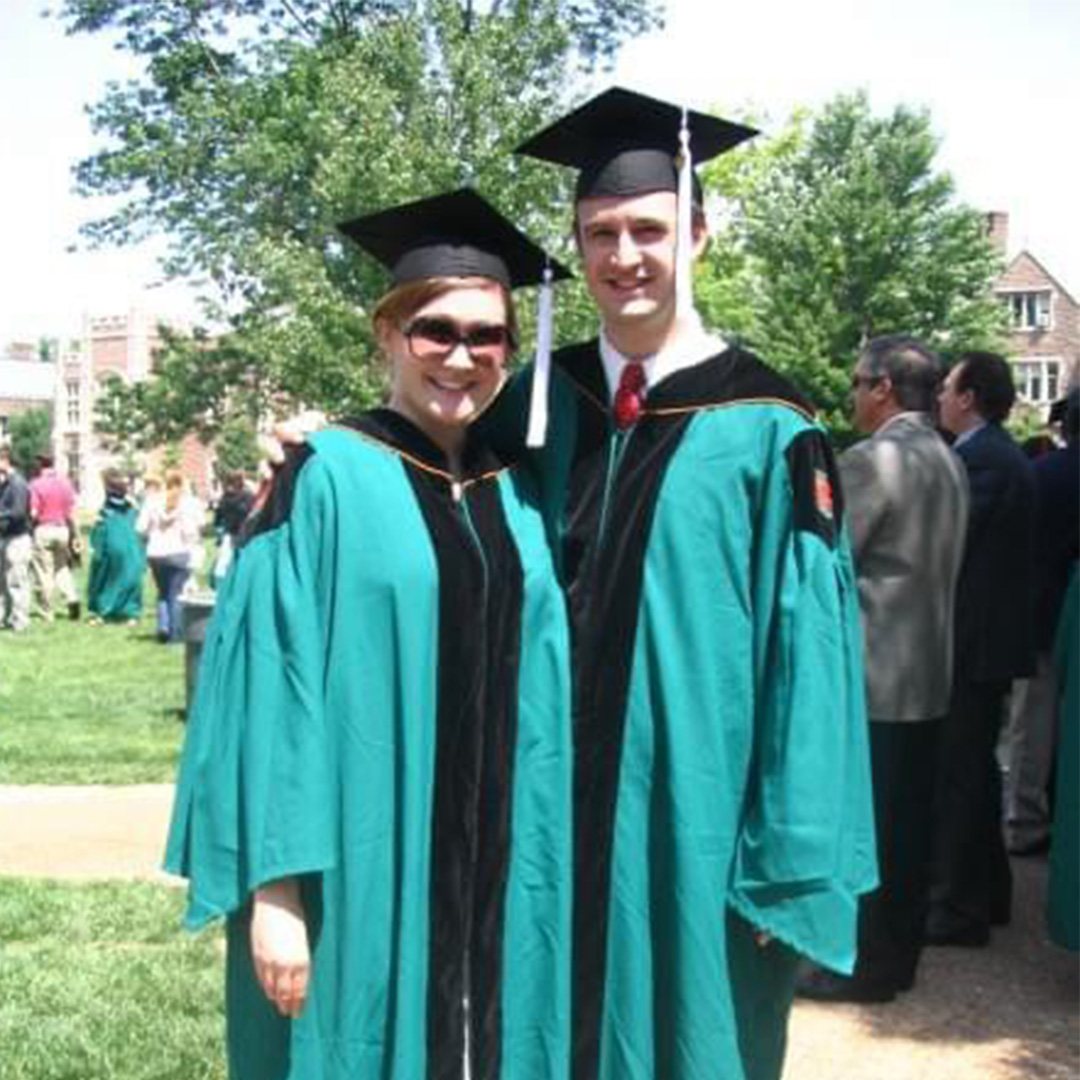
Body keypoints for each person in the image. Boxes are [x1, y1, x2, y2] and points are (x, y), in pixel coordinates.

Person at [489, 87, 877, 1080]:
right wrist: (314, 452)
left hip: (693, 824)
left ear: (698, 234)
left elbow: (813, 666)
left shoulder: (771, 425)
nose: (624, 256)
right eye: (600, 233)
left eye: (649, 230)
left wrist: (787, 860)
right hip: (541, 817)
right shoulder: (537, 407)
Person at [165, 189, 574, 1080]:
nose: (461, 356)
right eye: (435, 330)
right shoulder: (322, 475)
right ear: (386, 334)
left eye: (487, 336)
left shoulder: (524, 489)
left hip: (500, 872)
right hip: (360, 865)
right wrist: (276, 893)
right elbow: (271, 689)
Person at [796, 336, 968, 1004]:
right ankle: (895, 959)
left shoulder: (875, 460)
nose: (852, 396)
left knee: (867, 832)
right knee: (908, 828)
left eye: (857, 383)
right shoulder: (947, 457)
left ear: (883, 389)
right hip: (930, 672)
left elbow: (829, 561)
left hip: (873, 678)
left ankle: (858, 966)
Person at [929, 350, 1036, 946]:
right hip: (983, 645)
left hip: (976, 648)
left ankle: (960, 910)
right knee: (972, 774)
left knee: (963, 778)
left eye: (947, 388)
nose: (940, 397)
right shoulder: (988, 454)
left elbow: (952, 544)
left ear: (969, 399)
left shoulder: (985, 461)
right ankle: (987, 894)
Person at [1004, 389, 1079, 855]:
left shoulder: (1041, 474)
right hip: (1060, 608)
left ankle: (1025, 821)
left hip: (1040, 614)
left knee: (1032, 726)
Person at [138, 470, 203, 642]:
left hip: (155, 553)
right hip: (178, 551)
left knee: (163, 592)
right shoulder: (190, 503)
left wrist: (150, 536)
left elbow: (140, 528)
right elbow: (196, 528)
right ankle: (177, 634)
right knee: (177, 593)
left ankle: (163, 627)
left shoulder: (152, 501)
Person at [86, 468, 145, 624]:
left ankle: (106, 611)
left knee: (106, 577)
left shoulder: (113, 510)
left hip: (115, 541)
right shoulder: (130, 507)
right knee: (128, 576)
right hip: (129, 545)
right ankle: (129, 613)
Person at [28, 453, 79, 621]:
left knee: (43, 572)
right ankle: (72, 597)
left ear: (39, 465)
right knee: (62, 567)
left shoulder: (35, 485)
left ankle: (47, 611)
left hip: (44, 529)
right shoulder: (65, 484)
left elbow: (33, 512)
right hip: (62, 529)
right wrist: (75, 535)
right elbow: (71, 513)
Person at [0, 448, 33, 632]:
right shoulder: (5, 484)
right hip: (5, 537)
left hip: (18, 538)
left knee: (17, 580)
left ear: (5, 461)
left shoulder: (18, 484)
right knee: (3, 582)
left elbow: (19, 513)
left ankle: (20, 620)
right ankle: (4, 617)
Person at [211, 469, 255, 586]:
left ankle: (220, 583)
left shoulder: (226, 496)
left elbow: (218, 514)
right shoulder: (247, 496)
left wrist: (217, 525)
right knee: (238, 557)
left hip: (230, 530)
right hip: (243, 531)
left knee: (224, 559)